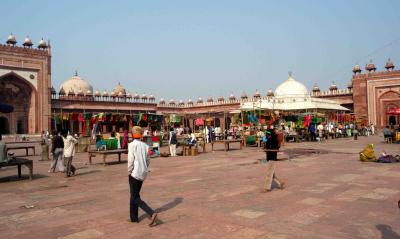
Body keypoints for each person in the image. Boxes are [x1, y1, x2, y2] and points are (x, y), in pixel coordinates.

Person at [128, 126, 158, 226]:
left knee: (135, 196)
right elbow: (148, 160)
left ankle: (151, 213)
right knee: (134, 194)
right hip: (143, 173)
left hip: (134, 173)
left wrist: (129, 171)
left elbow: (130, 160)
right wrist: (143, 167)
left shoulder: (132, 145)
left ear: (132, 135)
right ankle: (134, 218)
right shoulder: (145, 145)